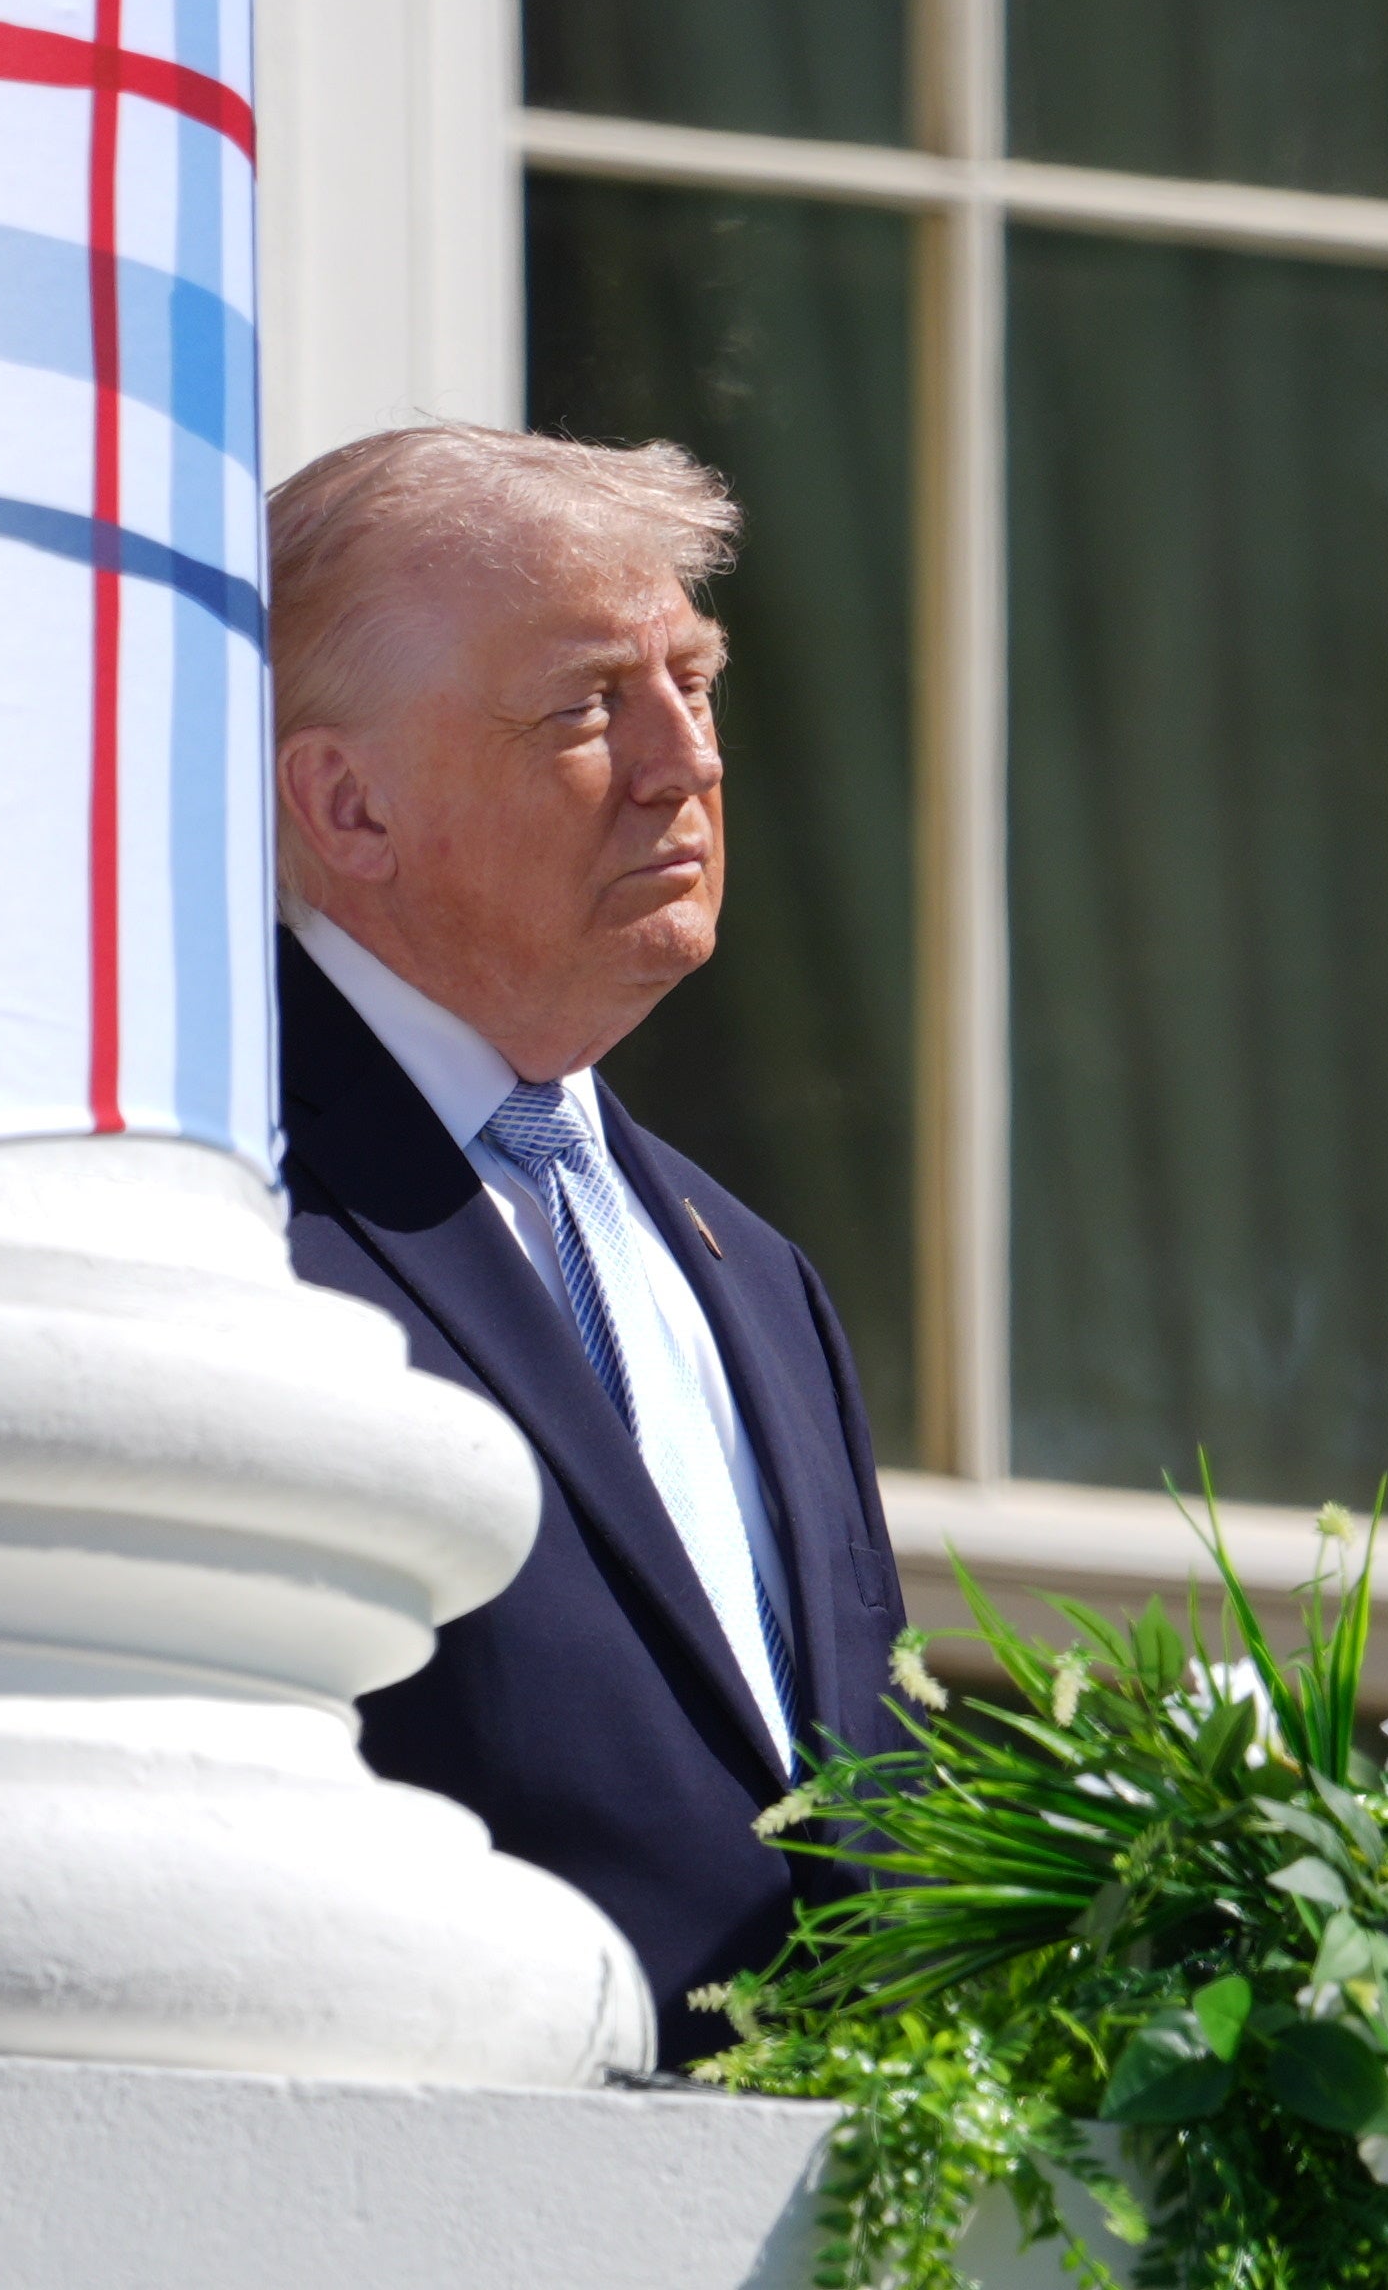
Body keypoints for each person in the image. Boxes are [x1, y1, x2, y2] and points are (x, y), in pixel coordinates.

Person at [264, 423, 907, 2061]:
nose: (680, 759)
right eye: (585, 706)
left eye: (693, 682)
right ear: (349, 807)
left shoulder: (752, 1273)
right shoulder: (220, 1197)